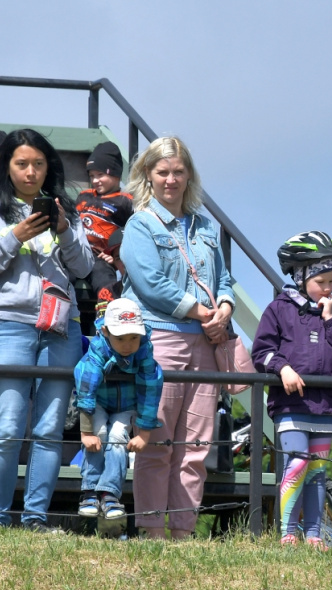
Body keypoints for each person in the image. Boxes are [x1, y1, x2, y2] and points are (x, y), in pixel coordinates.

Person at [0, 129, 94, 531]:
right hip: (10, 326)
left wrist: (65, 230)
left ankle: (35, 518)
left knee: (49, 430)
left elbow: (84, 268)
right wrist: (15, 237)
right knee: (6, 427)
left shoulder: (66, 212)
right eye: (21, 163)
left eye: (38, 164)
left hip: (62, 327)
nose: (30, 172)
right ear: (7, 167)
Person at [119, 136, 235, 540]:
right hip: (160, 341)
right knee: (156, 444)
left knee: (196, 448)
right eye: (163, 172)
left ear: (189, 176)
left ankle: (183, 533)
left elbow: (224, 278)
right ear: (148, 175)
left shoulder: (205, 225)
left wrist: (225, 307)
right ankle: (152, 531)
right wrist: (202, 312)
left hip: (206, 345)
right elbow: (148, 282)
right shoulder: (140, 224)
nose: (171, 179)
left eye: (178, 172)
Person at [251, 231, 332, 549]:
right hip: (291, 406)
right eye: (321, 281)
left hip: (326, 407)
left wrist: (330, 320)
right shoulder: (278, 310)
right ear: (300, 277)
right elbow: (261, 352)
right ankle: (287, 534)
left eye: (331, 281)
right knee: (296, 463)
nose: (328, 288)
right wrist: (282, 368)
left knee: (317, 472)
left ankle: (313, 535)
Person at [74, 298, 162, 521]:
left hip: (127, 406)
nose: (128, 345)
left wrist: (144, 433)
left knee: (117, 437)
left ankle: (110, 494)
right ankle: (90, 492)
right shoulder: (97, 350)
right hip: (98, 403)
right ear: (105, 332)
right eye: (120, 338)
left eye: (134, 337)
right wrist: (86, 432)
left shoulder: (144, 351)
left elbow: (150, 388)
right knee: (98, 434)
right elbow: (86, 387)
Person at [75, 141, 133, 293]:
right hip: (76, 252)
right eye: (92, 176)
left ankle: (107, 304)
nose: (95, 180)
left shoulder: (126, 201)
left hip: (101, 257)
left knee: (104, 280)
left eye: (100, 175)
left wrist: (117, 257)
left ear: (115, 174)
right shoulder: (83, 196)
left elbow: (132, 235)